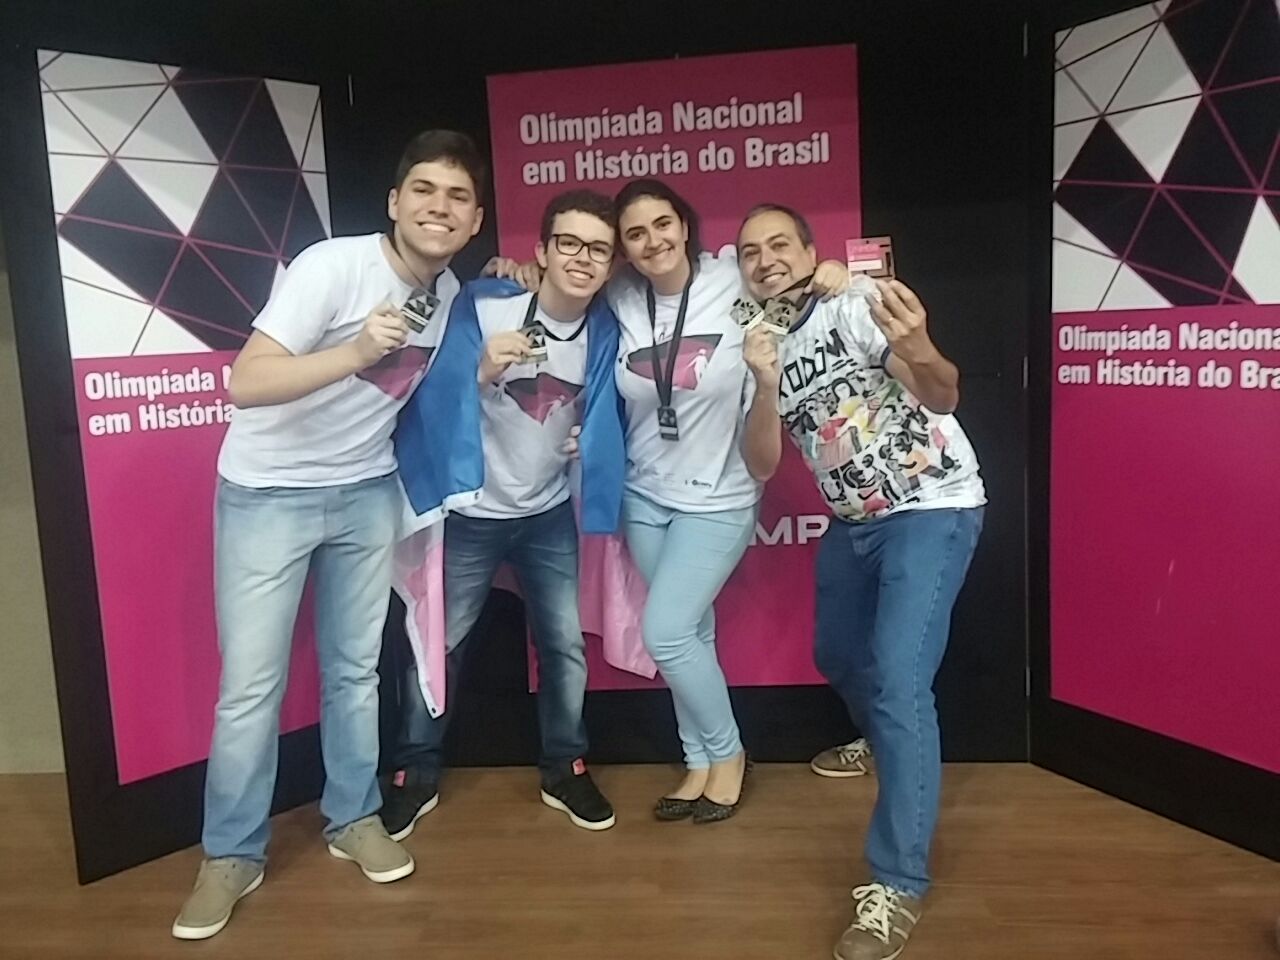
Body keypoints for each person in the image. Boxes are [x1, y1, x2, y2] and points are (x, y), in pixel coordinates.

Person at [171, 130, 485, 941]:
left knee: (354, 671)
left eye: (457, 197)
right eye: (424, 190)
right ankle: (231, 854)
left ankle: (354, 817)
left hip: (365, 493)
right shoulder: (332, 267)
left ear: (475, 218)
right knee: (251, 687)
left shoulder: (450, 292)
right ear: (395, 202)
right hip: (267, 495)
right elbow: (246, 382)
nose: (439, 208)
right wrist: (355, 351)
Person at [736, 204, 985, 960]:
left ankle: (897, 883)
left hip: (930, 506)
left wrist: (919, 345)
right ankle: (879, 742)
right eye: (750, 252)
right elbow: (761, 463)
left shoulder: (856, 303)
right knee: (839, 655)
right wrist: (763, 383)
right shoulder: (762, 338)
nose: (766, 259)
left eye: (780, 244)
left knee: (900, 683)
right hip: (854, 522)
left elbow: (943, 393)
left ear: (810, 250)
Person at [381, 190, 624, 837]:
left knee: (564, 645)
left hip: (547, 512)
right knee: (438, 644)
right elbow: (427, 392)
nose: (582, 258)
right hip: (472, 511)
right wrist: (482, 370)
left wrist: (589, 440)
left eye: (598, 249)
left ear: (609, 265)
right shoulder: (485, 306)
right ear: (541, 250)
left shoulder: (605, 331)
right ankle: (414, 772)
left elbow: (609, 409)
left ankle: (565, 768)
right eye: (568, 243)